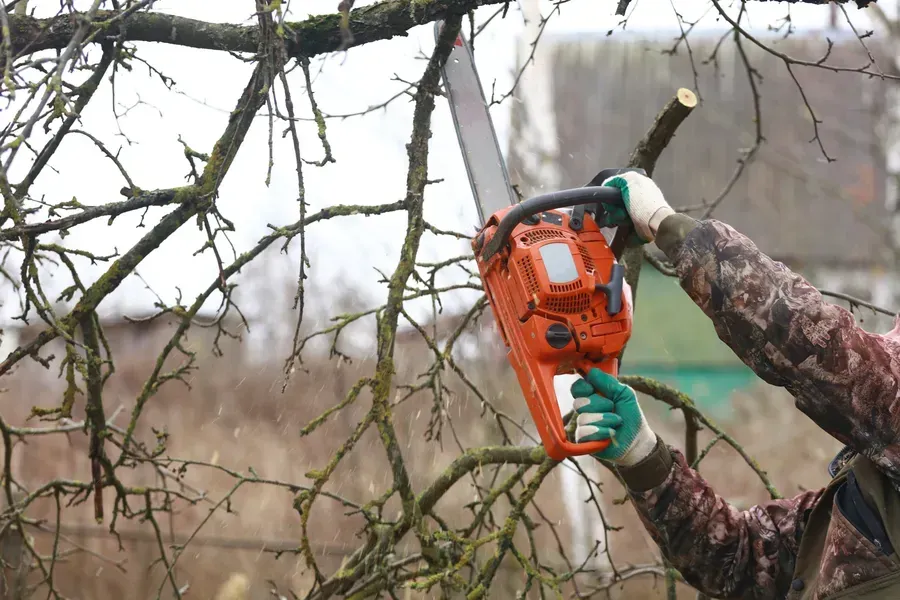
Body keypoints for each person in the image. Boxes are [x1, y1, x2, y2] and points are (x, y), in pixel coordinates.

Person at [571, 171, 900, 599]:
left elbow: (821, 347)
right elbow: (740, 560)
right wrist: (643, 457)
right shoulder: (865, 499)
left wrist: (665, 224)